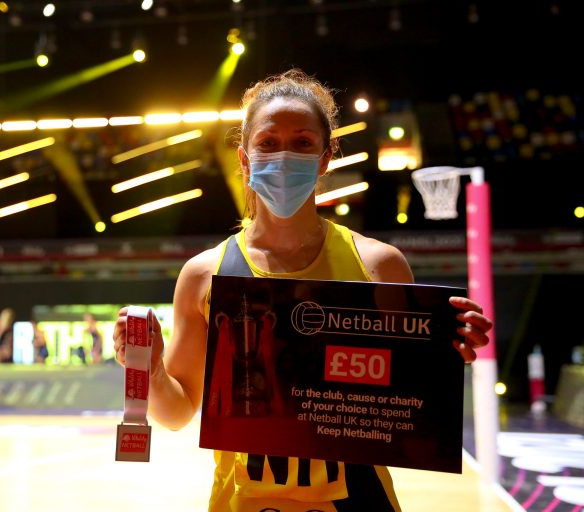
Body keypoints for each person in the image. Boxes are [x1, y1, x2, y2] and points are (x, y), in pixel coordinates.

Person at [113, 69, 494, 512]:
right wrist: (153, 371)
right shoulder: (204, 274)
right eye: (268, 143)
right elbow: (176, 414)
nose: (284, 156)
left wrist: (447, 352)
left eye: (303, 143)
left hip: (357, 500)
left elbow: (408, 404)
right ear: (244, 157)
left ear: (326, 158)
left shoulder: (379, 264)